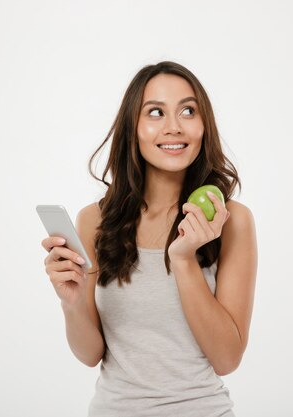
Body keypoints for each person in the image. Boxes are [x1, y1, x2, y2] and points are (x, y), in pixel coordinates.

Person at [41, 61, 258, 416]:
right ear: (134, 128)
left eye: (188, 111)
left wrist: (185, 259)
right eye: (155, 112)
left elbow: (227, 358)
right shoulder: (94, 220)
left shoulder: (231, 221)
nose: (173, 127)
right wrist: (73, 301)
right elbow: (89, 354)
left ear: (204, 126)